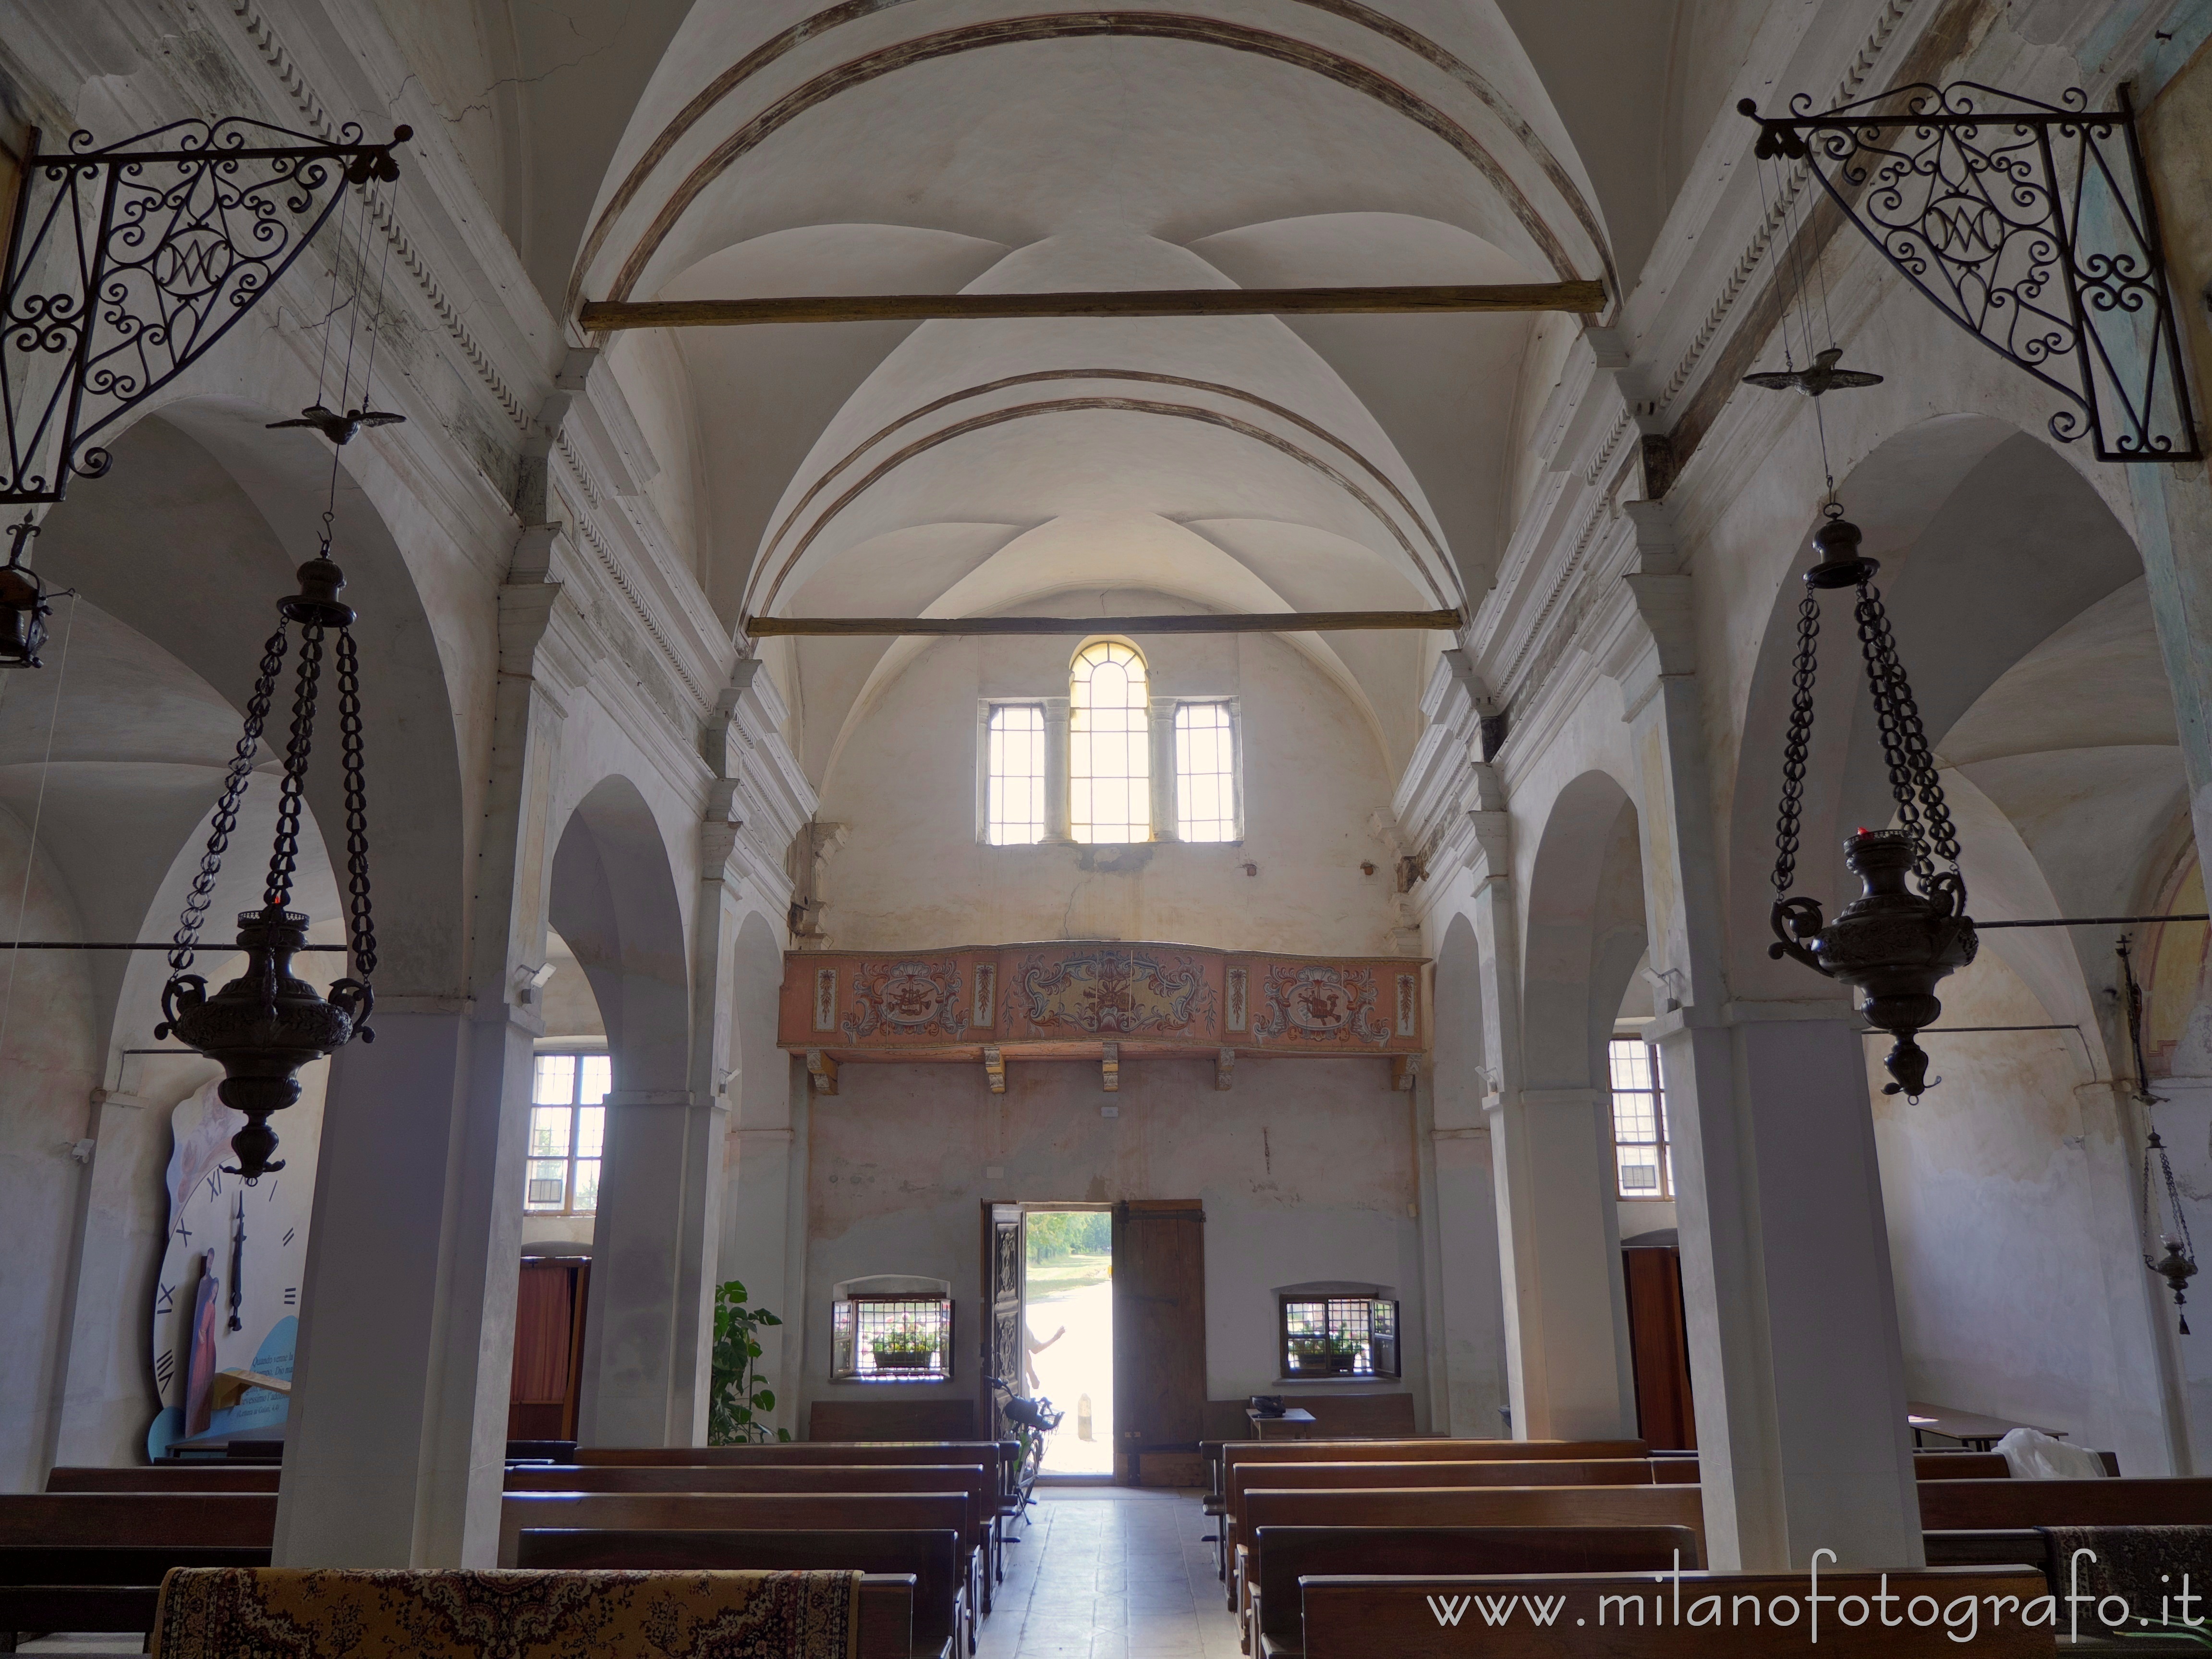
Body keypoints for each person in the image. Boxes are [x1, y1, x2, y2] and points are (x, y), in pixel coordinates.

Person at [1023, 1322, 1066, 1392]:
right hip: (1015, 1378)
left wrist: (1032, 1374)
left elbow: (1026, 1353)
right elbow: (1036, 1349)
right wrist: (1056, 1337)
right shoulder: (1020, 1319)